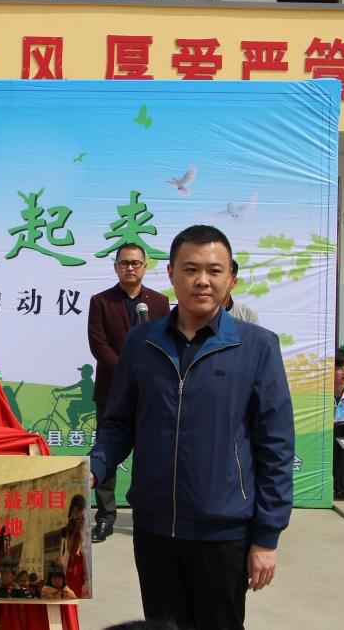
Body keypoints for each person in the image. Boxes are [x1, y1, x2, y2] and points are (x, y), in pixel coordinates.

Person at [90, 225, 294, 630]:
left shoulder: (257, 346)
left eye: (214, 270)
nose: (202, 280)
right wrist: (94, 467)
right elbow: (119, 424)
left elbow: (276, 447)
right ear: (171, 274)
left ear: (231, 278)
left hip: (224, 531)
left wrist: (266, 536)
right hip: (154, 528)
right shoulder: (141, 343)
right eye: (190, 269)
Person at [87, 242, 169, 543]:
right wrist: (128, 373)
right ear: (116, 267)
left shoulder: (159, 303)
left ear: (145, 267)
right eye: (124, 263)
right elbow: (99, 345)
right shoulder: (101, 301)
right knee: (106, 453)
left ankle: (150, 513)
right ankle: (105, 518)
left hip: (151, 393)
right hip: (112, 391)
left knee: (152, 453)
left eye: (135, 263)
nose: (130, 268)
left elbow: (166, 343)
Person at [225, 260, 260, 325]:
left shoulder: (248, 314)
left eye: (225, 278)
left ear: (234, 282)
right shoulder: (203, 311)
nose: (219, 282)